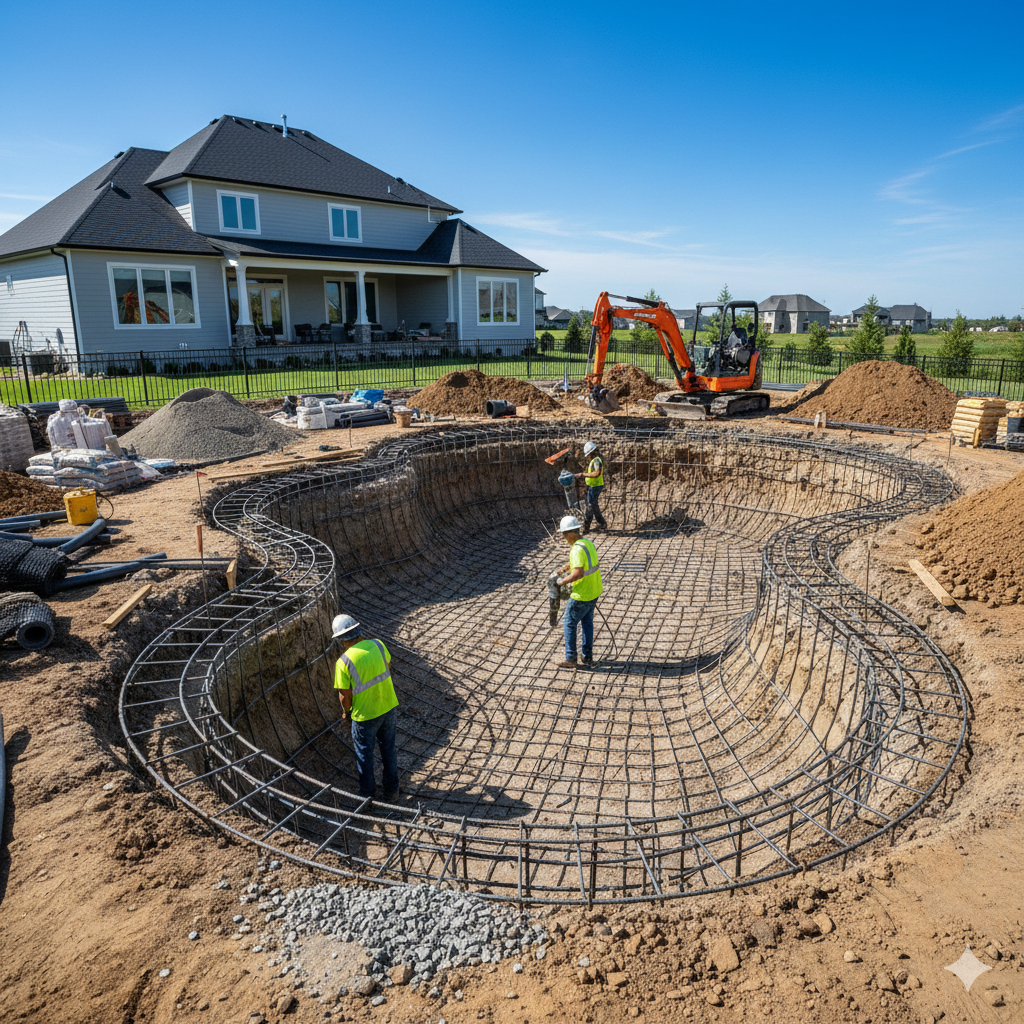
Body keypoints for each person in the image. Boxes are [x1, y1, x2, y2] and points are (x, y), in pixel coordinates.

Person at [331, 614, 400, 802]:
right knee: (388, 749)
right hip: (388, 706)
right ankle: (392, 792)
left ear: (340, 639)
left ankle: (367, 796)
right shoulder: (378, 645)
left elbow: (345, 696)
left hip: (365, 716)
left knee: (364, 755)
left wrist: (346, 713)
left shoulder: (343, 662)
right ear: (358, 630)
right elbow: (388, 665)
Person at [555, 515, 603, 670]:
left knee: (569, 622)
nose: (564, 537)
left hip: (582, 594)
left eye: (564, 534)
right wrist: (565, 568)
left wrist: (561, 582)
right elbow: (582, 563)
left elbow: (579, 573)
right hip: (594, 590)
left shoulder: (576, 549)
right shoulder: (587, 543)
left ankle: (570, 658)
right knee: (587, 622)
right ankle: (587, 656)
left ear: (570, 533)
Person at [578, 440, 607, 533]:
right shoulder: (594, 460)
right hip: (593, 486)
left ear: (592, 452)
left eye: (589, 454)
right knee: (593, 506)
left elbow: (597, 473)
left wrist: (583, 474)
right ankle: (601, 523)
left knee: (590, 506)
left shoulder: (596, 461)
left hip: (596, 486)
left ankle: (587, 527)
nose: (588, 456)